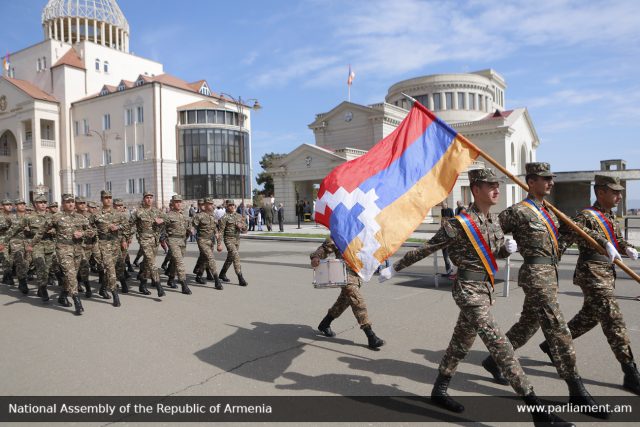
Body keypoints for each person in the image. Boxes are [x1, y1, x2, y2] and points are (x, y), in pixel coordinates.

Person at [379, 168, 571, 425]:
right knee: (500, 346)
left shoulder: (494, 222)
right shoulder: (458, 224)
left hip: (485, 290)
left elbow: (493, 255)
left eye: (498, 185)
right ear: (476, 189)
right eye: (490, 185)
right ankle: (537, 411)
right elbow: (427, 248)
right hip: (468, 292)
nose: (496, 190)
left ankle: (439, 389)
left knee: (460, 343)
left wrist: (505, 249)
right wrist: (395, 268)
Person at [483, 162, 607, 419]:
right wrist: (504, 247)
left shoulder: (549, 211)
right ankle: (577, 391)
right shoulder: (518, 211)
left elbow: (573, 231)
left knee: (528, 325)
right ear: (531, 182)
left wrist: (605, 242)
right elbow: (488, 233)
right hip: (535, 275)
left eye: (551, 178)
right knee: (557, 328)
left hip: (550, 274)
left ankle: (494, 360)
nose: (550, 182)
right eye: (545, 178)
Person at [540, 175, 639, 395]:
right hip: (592, 274)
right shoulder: (586, 216)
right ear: (600, 192)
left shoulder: (609, 215)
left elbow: (617, 242)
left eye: (619, 192)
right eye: (615, 192)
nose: (619, 196)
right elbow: (572, 234)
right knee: (613, 319)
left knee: (589, 318)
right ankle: (630, 373)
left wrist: (628, 248)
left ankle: (552, 345)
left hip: (606, 273)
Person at [312, 236, 384, 350]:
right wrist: (316, 256)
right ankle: (371, 336)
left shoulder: (363, 232)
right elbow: (325, 248)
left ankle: (325, 324)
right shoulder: (340, 232)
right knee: (357, 300)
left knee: (343, 302)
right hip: (344, 274)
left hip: (358, 274)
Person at [31, 194, 94, 315]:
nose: (70, 204)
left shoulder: (80, 217)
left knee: (71, 276)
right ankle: (77, 302)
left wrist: (83, 234)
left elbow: (91, 231)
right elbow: (41, 231)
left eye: (72, 201)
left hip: (77, 249)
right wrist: (31, 245)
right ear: (63, 204)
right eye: (67, 202)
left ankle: (62, 296)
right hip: (63, 249)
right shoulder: (56, 217)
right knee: (70, 274)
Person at [90, 190, 124, 307]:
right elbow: (89, 227)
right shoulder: (96, 214)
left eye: (110, 197)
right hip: (103, 244)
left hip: (115, 244)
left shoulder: (118, 213)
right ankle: (115, 294)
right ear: (102, 199)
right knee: (110, 269)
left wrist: (118, 227)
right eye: (105, 198)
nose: (108, 199)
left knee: (110, 268)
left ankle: (102, 289)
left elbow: (128, 225)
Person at [131, 192, 167, 296]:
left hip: (154, 241)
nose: (149, 199)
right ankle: (159, 286)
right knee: (152, 262)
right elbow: (129, 224)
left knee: (147, 263)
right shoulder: (138, 212)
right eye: (147, 197)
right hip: (144, 240)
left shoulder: (156, 211)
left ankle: (142, 283)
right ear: (143, 199)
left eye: (151, 197)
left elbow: (168, 219)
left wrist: (162, 220)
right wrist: (127, 237)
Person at [192, 197, 223, 289]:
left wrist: (219, 243)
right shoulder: (199, 216)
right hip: (202, 240)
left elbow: (216, 231)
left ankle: (199, 275)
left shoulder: (213, 216)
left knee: (204, 259)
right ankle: (217, 280)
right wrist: (191, 231)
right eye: (209, 204)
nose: (211, 205)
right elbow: (193, 227)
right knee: (210, 258)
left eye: (212, 203)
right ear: (205, 205)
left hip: (211, 241)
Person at [165, 194, 192, 295]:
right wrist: (165, 239)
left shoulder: (185, 215)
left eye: (180, 202)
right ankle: (184, 284)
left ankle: (171, 278)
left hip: (183, 240)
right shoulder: (168, 215)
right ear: (172, 203)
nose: (178, 204)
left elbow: (189, 227)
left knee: (175, 261)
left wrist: (191, 230)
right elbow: (162, 228)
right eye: (176, 202)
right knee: (179, 262)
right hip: (173, 240)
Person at [218, 199, 248, 286]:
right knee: (236, 256)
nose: (232, 207)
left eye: (233, 205)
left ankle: (222, 273)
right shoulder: (224, 218)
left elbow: (245, 228)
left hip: (237, 239)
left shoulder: (239, 216)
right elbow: (221, 232)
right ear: (227, 206)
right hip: (229, 239)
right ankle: (240, 278)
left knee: (231, 258)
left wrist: (242, 226)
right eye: (230, 205)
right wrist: (219, 243)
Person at [440, 201, 455, 277]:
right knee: (446, 257)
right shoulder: (442, 211)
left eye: (444, 205)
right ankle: (449, 270)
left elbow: (453, 218)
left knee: (448, 256)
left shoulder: (450, 210)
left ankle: (450, 270)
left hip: (449, 240)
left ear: (447, 205)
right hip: (445, 242)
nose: (443, 207)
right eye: (442, 206)